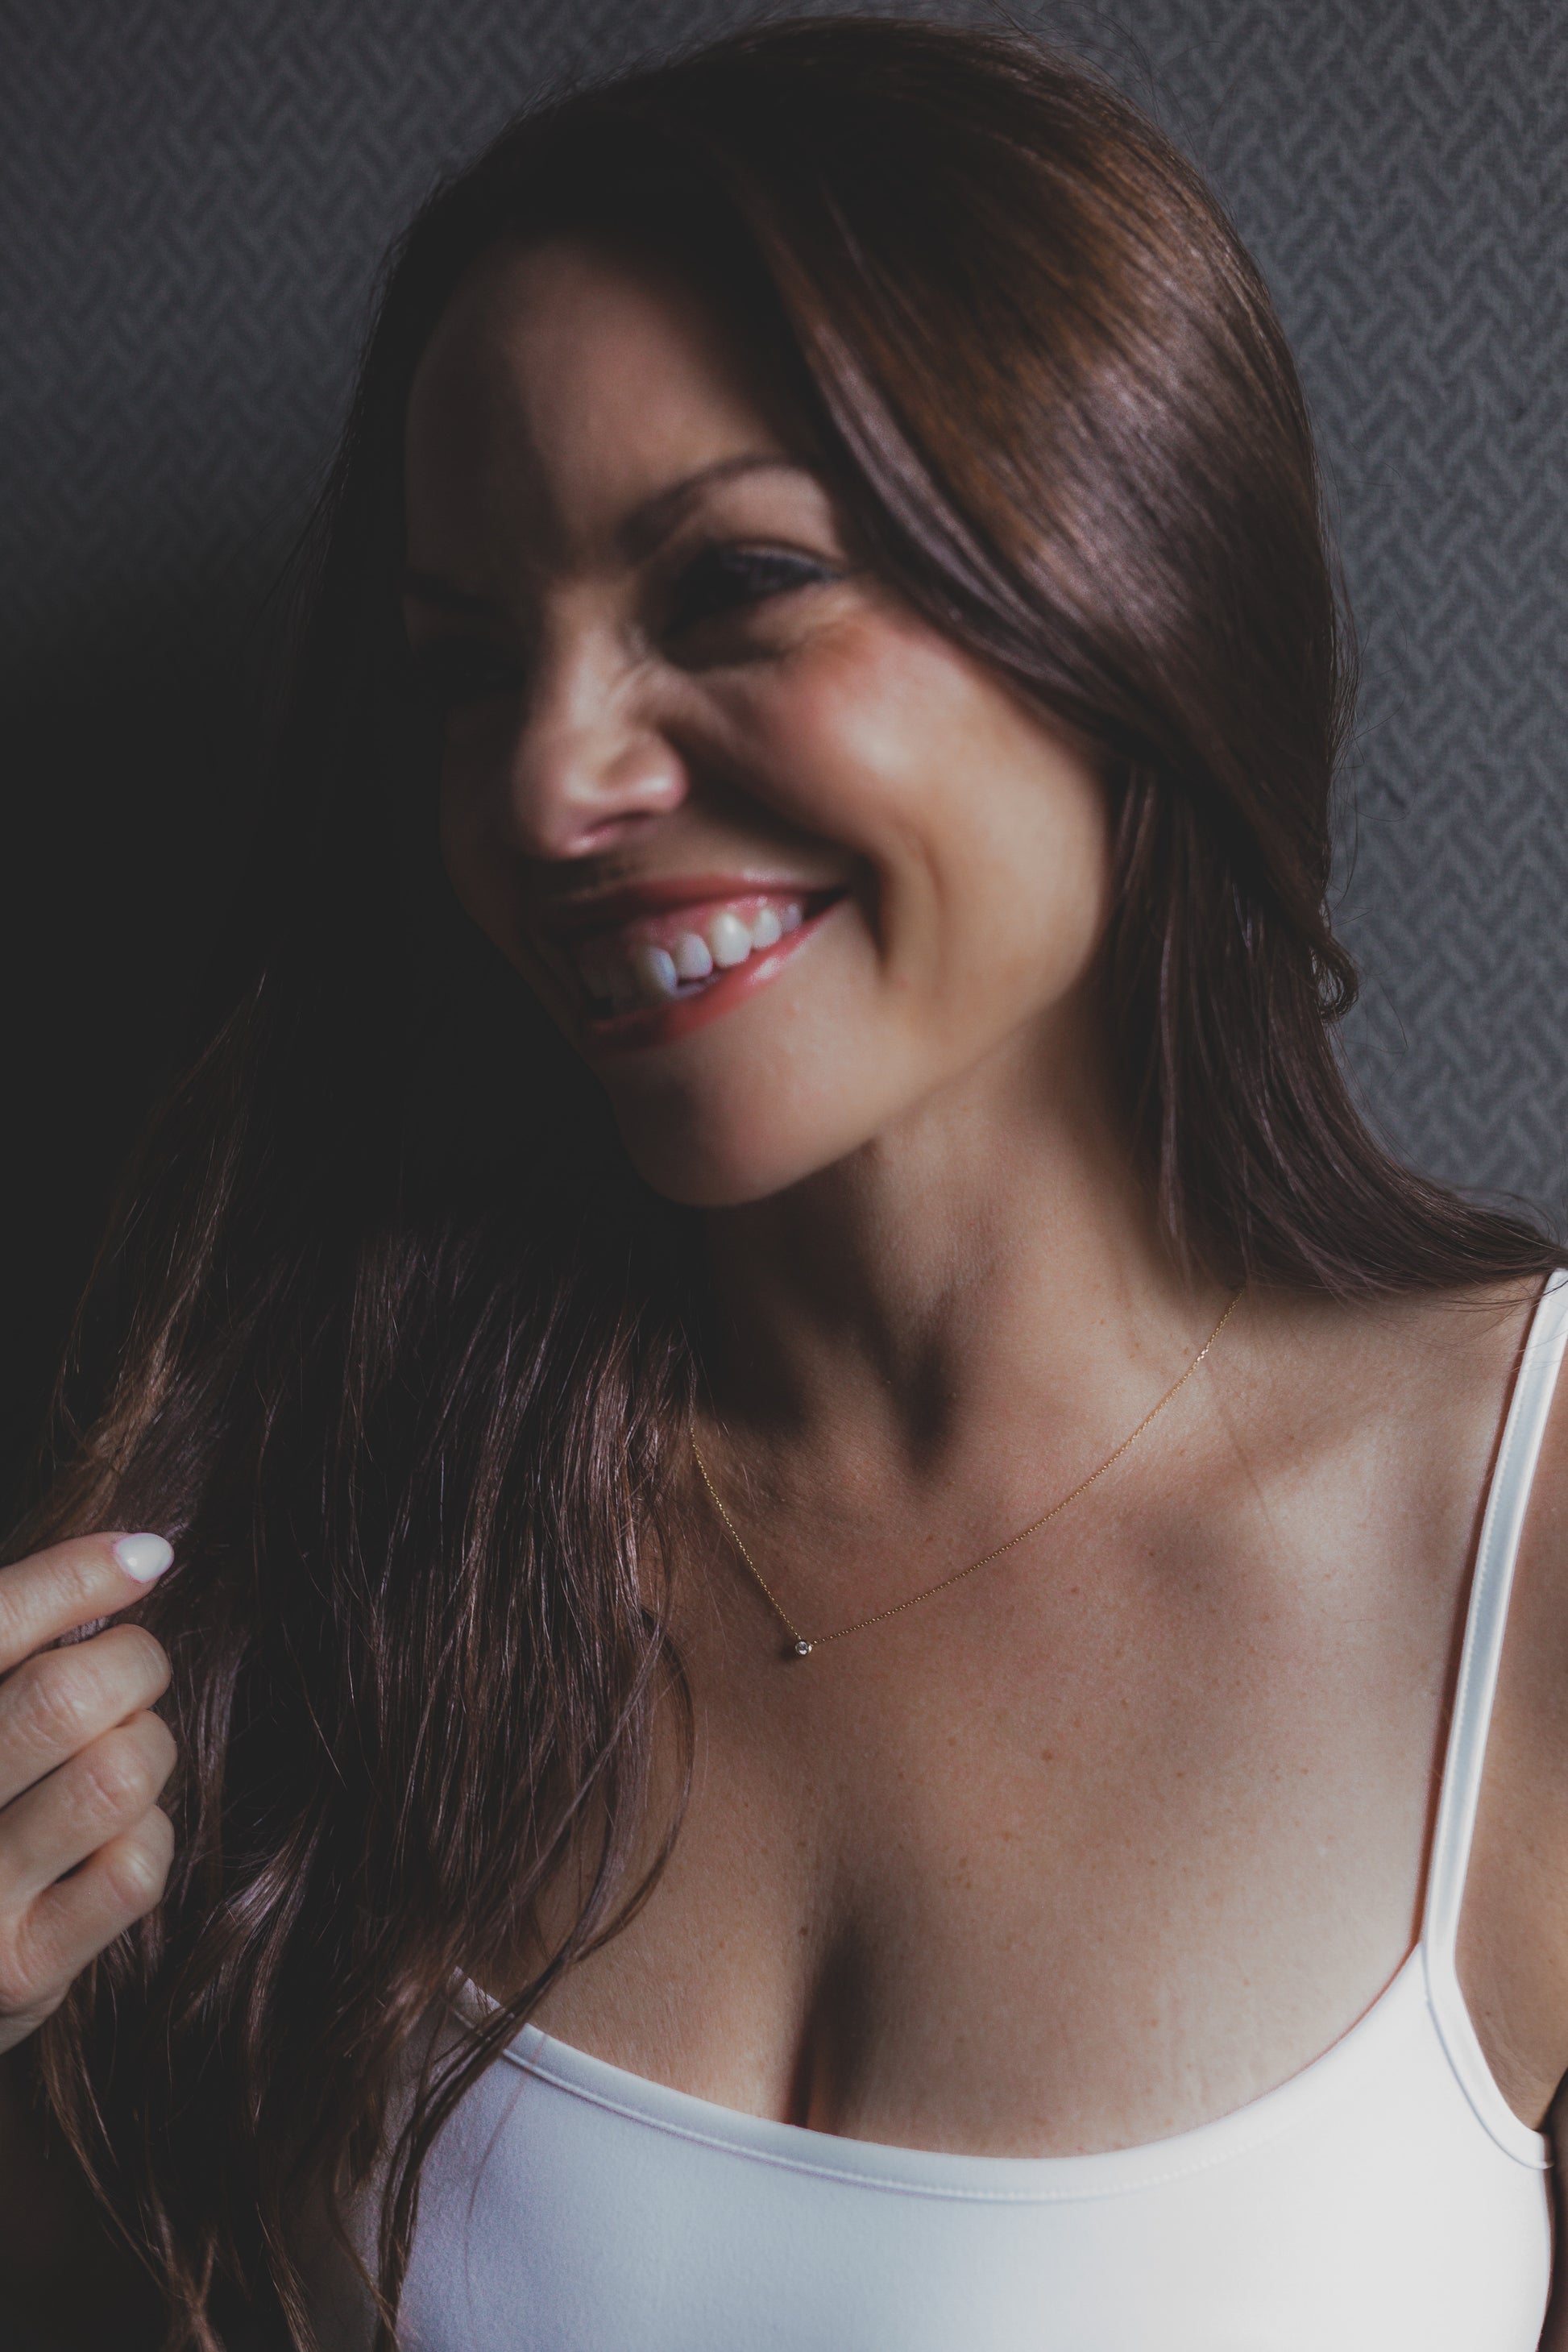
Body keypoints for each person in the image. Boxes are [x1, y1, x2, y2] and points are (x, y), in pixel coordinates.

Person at [3, 18, 1566, 2349]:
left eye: (732, 586)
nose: (545, 784)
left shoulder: (1520, 1540)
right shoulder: (310, 1530)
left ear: (1120, 583)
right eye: (458, 671)